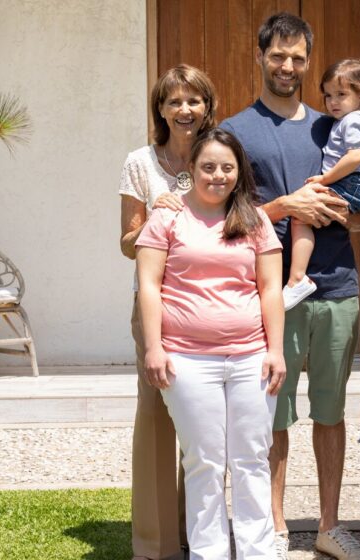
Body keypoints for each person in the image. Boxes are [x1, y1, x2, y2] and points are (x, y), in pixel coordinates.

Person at [220, 12, 360, 560]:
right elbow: (220, 211)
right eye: (278, 55)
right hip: (269, 294)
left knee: (330, 414)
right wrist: (285, 206)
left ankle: (329, 526)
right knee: (273, 416)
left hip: (335, 288)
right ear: (259, 57)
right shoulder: (236, 130)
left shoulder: (337, 125)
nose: (288, 66)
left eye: (298, 57)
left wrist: (341, 207)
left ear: (309, 61)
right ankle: (275, 527)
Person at [136, 128, 286, 560]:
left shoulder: (255, 221)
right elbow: (149, 284)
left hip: (251, 359)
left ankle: (258, 552)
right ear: (191, 170)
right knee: (204, 463)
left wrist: (275, 351)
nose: (217, 176)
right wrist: (154, 346)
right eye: (208, 167)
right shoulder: (166, 217)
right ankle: (209, 553)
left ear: (239, 173)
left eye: (227, 167)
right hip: (186, 361)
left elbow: (270, 288)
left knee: (251, 461)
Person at [118, 64, 217, 560]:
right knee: (157, 416)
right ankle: (156, 546)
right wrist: (157, 214)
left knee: (204, 422)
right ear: (160, 108)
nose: (185, 110)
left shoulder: (220, 158)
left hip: (213, 307)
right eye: (174, 101)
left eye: (194, 100)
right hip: (157, 304)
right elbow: (126, 244)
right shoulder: (140, 163)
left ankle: (200, 538)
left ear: (207, 107)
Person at [283, 58, 360, 309]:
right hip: (355, 184)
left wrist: (325, 179)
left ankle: (297, 278)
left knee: (301, 216)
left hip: (355, 183)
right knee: (305, 214)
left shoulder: (354, 121)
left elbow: (355, 157)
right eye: (328, 95)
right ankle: (297, 276)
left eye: (341, 94)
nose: (333, 102)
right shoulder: (347, 121)